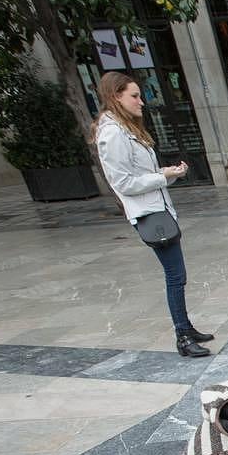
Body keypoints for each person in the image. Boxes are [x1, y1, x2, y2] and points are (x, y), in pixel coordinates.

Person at [93, 71, 214, 358]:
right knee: (175, 276)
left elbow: (140, 176)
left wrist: (166, 174)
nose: (141, 102)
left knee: (177, 275)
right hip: (148, 214)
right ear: (116, 96)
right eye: (134, 96)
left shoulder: (126, 129)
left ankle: (186, 327)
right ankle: (183, 336)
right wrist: (161, 177)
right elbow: (122, 183)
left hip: (157, 209)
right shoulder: (112, 133)